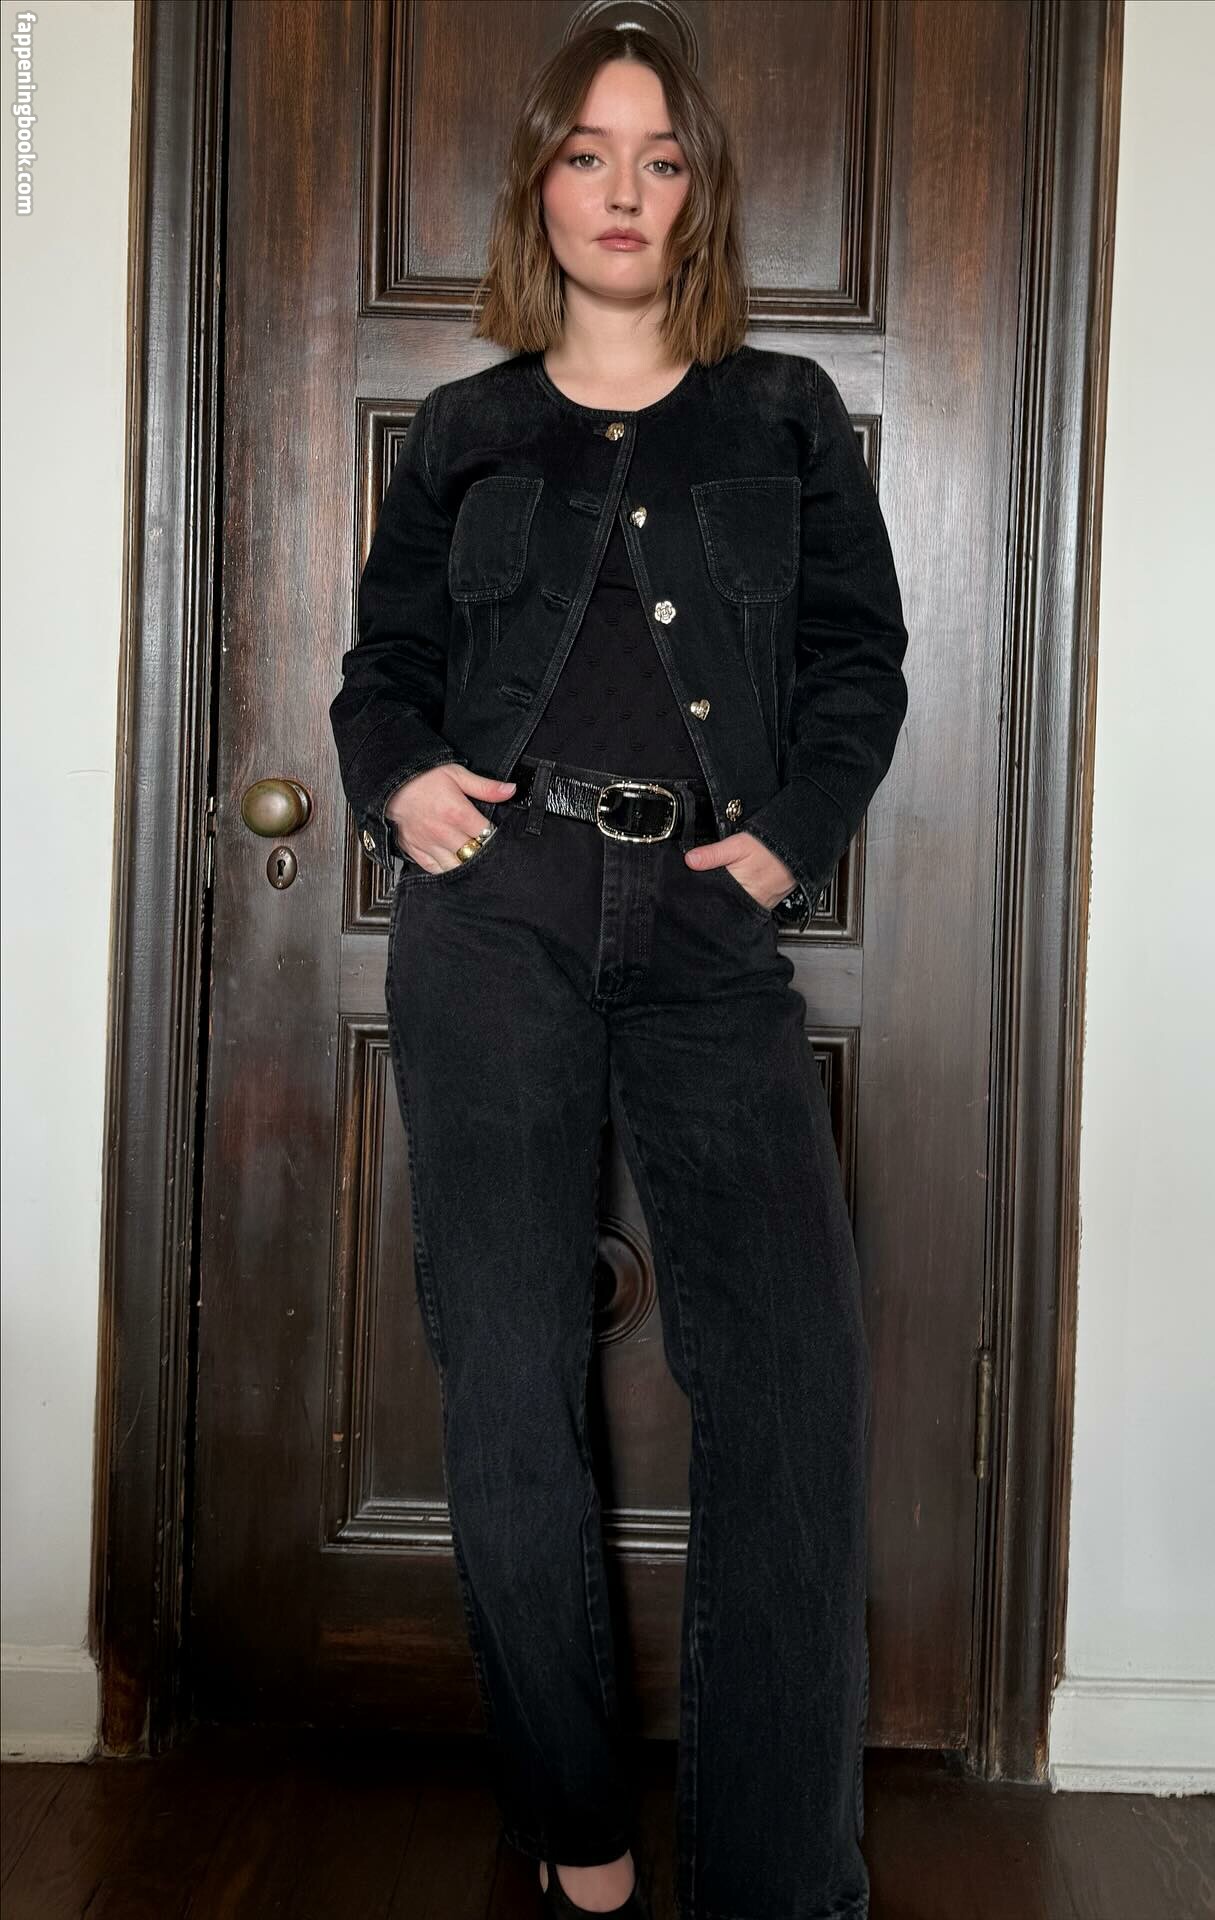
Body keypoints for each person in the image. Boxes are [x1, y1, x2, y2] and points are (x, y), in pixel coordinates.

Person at [329, 23, 909, 1920]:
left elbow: (858, 664)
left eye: (660, 158)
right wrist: (400, 778)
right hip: (495, 916)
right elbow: (383, 668)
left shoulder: (785, 417)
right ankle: (576, 1840)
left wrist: (786, 841)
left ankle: (779, 1881)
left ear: (699, 191)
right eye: (590, 154)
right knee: (509, 1380)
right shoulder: (463, 432)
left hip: (707, 926)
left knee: (793, 1385)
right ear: (541, 185)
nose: (626, 191)